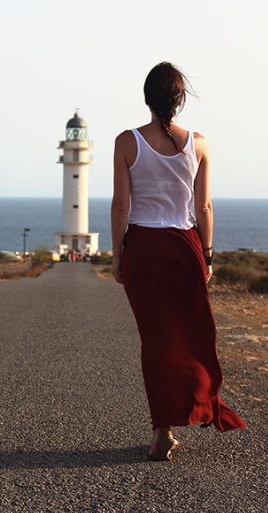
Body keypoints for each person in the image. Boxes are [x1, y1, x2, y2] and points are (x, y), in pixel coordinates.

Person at [111, 62, 246, 461]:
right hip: (185, 247)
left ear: (146, 99)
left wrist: (118, 255)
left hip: (143, 249)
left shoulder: (126, 141)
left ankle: (162, 430)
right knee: (190, 336)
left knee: (155, 341)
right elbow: (202, 207)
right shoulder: (199, 144)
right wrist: (207, 256)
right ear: (180, 99)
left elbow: (121, 205)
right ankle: (195, 405)